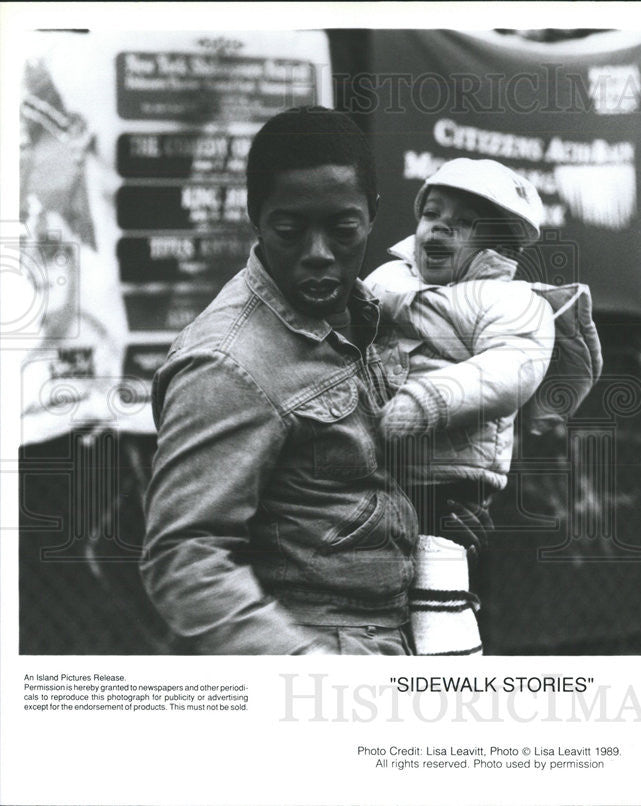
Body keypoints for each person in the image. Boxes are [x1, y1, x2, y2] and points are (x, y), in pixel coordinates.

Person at [142, 107, 481, 655]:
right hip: (310, 647)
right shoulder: (226, 363)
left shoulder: (377, 314)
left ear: (372, 216)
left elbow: (349, 481)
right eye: (291, 231)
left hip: (399, 632)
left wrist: (435, 512)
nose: (318, 255)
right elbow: (183, 559)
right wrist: (309, 677)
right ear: (256, 217)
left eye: (342, 230)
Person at [364, 158, 563, 654]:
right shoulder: (388, 279)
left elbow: (510, 369)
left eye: (465, 222)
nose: (440, 226)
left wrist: (429, 400)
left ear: (500, 244)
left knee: (436, 589)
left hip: (448, 483)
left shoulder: (513, 302)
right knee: (379, 596)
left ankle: (449, 673)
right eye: (432, 212)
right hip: (377, 468)